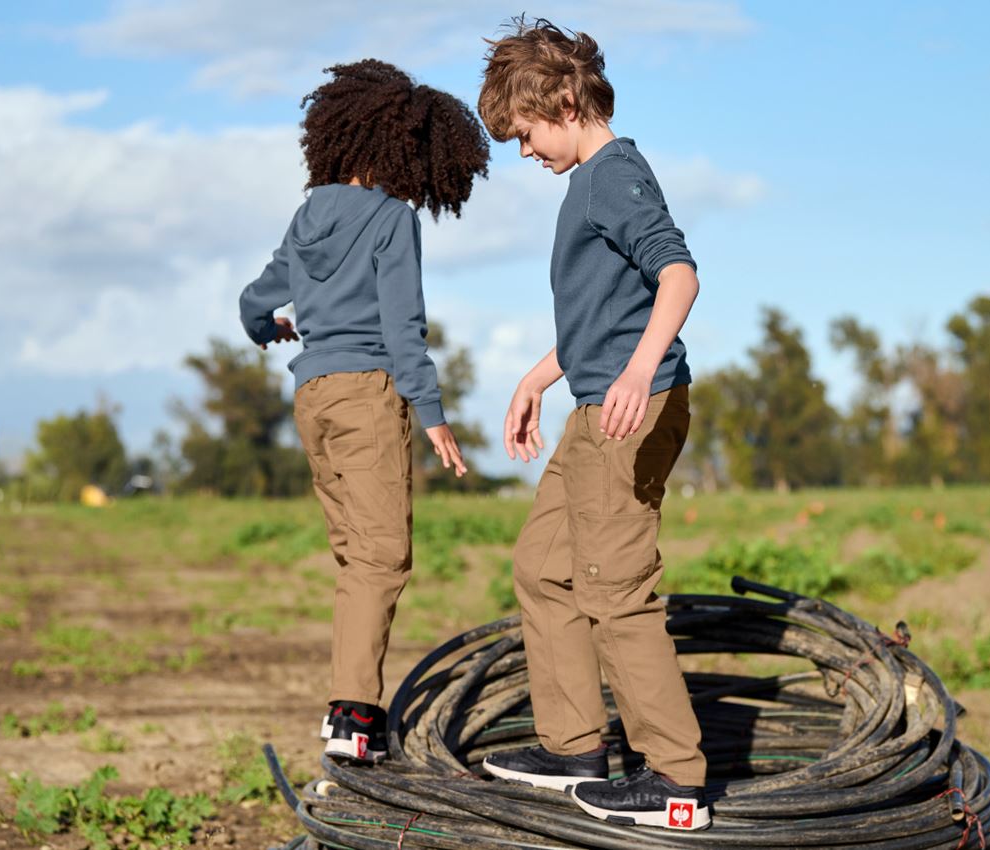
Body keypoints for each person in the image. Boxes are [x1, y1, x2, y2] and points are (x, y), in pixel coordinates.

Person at [477, 19, 710, 830]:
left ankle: (675, 778)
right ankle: (574, 745)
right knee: (545, 565)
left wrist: (641, 370)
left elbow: (676, 274)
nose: (524, 150)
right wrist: (537, 377)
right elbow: (601, 315)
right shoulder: (585, 181)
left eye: (527, 131)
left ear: (567, 101)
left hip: (628, 404)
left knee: (613, 584)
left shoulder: (614, 173)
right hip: (592, 401)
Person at [239, 59, 489, 764]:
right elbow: (404, 327)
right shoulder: (391, 220)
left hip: (312, 397)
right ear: (403, 151)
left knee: (356, 558)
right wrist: (433, 413)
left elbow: (255, 300)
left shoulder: (308, 213)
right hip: (366, 395)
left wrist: (272, 331)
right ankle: (352, 720)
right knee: (382, 559)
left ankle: (349, 714)